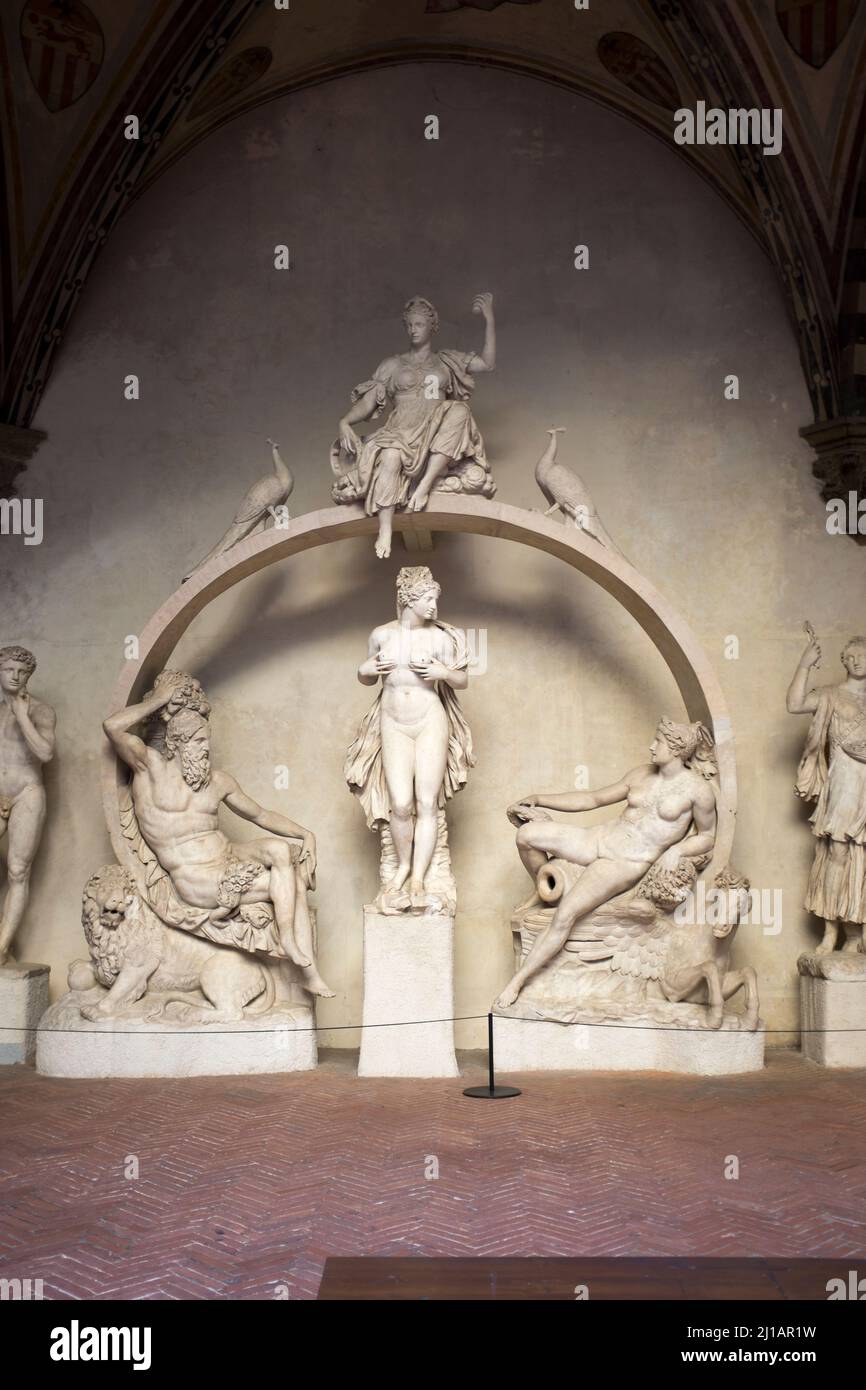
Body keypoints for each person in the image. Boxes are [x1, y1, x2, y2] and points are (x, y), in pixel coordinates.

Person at [103, 672, 333, 996]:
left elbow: (260, 814)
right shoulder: (149, 769)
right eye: (198, 742)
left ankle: (290, 943)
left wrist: (306, 834)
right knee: (291, 883)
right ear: (176, 743)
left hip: (228, 854)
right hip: (196, 878)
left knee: (280, 851)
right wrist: (160, 699)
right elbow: (112, 727)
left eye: (206, 741)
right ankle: (305, 968)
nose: (205, 749)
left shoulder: (218, 781)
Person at [495, 719, 717, 1007]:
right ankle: (549, 887)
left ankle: (518, 982)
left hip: (623, 861)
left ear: (676, 748)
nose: (652, 746)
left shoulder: (697, 790)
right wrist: (539, 799)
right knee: (526, 835)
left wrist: (678, 850)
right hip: (598, 838)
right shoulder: (642, 774)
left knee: (565, 916)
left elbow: (708, 836)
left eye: (659, 741)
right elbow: (592, 799)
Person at [345, 566, 474, 910]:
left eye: (435, 599)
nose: (434, 606)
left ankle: (418, 877)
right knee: (401, 804)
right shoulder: (382, 635)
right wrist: (363, 671)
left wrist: (443, 672)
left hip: (429, 719)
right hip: (392, 721)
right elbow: (367, 677)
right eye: (428, 599)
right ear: (409, 599)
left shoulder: (440, 639)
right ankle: (402, 867)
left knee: (427, 803)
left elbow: (462, 680)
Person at [334, 294, 496, 557]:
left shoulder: (446, 361)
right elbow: (368, 401)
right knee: (390, 456)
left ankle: (424, 486)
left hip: (436, 427)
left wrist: (489, 319)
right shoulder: (392, 365)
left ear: (432, 327)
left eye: (419, 324)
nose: (413, 330)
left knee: (459, 410)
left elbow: (487, 364)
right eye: (409, 325)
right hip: (400, 429)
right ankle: (385, 528)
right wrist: (345, 421)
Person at [788, 629, 866, 954]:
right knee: (837, 853)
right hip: (845, 782)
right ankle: (831, 931)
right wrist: (805, 665)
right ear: (844, 661)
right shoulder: (832, 695)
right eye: (852, 657)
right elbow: (795, 704)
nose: (858, 661)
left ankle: (856, 935)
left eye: (863, 656)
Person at [0, 646, 56, 964]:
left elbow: (45, 752)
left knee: (18, 871)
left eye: (21, 672)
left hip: (27, 793)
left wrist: (22, 715)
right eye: (9, 669)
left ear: (29, 676)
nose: (15, 676)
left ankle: (2, 945)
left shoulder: (41, 711)